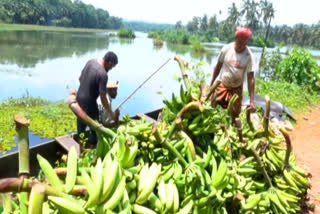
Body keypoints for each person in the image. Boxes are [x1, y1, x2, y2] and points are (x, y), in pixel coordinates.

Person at [210, 26, 256, 119]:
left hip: (236, 89)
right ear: (235, 39)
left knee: (234, 116)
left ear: (247, 42)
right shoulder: (226, 49)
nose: (241, 45)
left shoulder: (249, 55)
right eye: (239, 42)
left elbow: (250, 78)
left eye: (244, 43)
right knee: (213, 109)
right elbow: (218, 67)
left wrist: (251, 100)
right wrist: (211, 86)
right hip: (222, 85)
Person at [76, 51, 119, 147]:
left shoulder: (91, 62)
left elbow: (80, 78)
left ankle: (81, 148)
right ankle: (93, 147)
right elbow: (103, 97)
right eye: (112, 67)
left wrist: (86, 89)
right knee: (96, 128)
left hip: (78, 98)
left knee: (81, 127)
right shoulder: (103, 74)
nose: (111, 69)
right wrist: (110, 112)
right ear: (109, 63)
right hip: (89, 102)